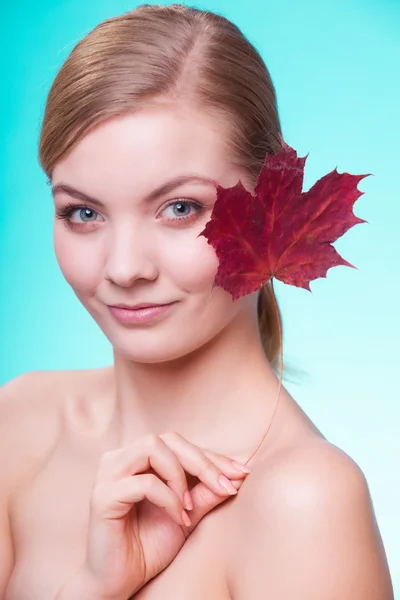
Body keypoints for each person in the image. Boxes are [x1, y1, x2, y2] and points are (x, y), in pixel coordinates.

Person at [0, 3, 394, 599]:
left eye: (180, 208)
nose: (125, 268)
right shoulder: (19, 422)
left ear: (273, 206)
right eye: (83, 213)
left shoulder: (304, 502)